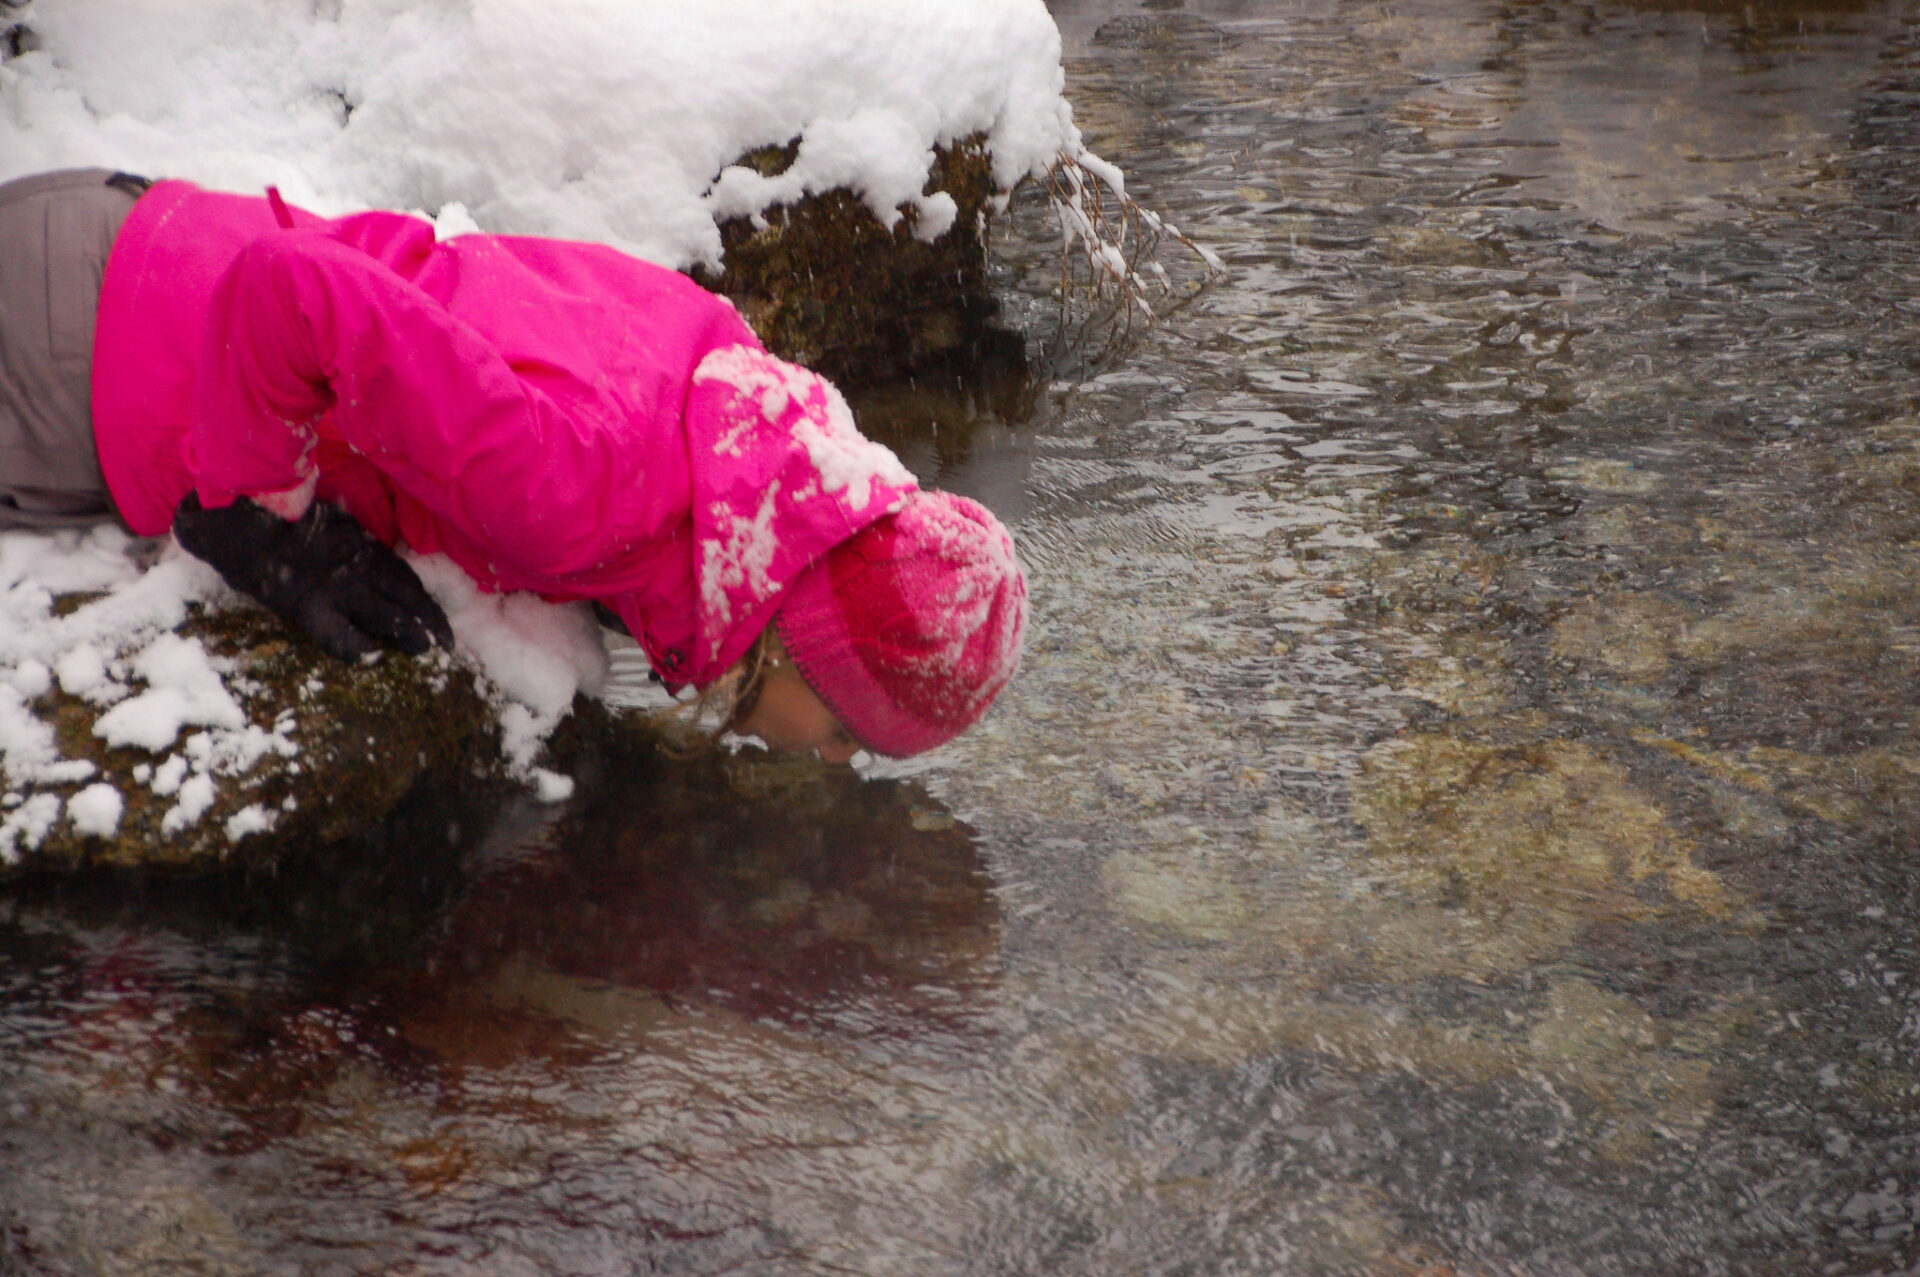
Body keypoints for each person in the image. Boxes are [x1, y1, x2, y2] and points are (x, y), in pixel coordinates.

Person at [0, 169, 1027, 762]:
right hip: (74, 353)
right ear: (811, 647)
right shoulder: (580, 494)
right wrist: (260, 515)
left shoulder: (735, 416)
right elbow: (291, 291)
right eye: (853, 737)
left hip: (132, 249)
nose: (835, 763)